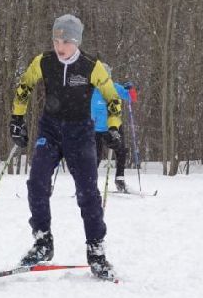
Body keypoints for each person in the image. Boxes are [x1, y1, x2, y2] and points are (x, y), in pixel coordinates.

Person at [9, 14, 123, 280]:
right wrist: (17, 119)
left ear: (77, 42)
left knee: (87, 192)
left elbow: (113, 99)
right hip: (50, 129)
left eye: (66, 41)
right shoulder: (43, 61)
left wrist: (113, 127)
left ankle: (96, 250)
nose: (60, 46)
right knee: (37, 182)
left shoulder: (91, 66)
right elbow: (24, 86)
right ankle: (42, 241)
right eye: (56, 40)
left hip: (80, 132)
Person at [91, 68, 133, 193]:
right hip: (96, 130)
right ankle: (89, 183)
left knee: (121, 151)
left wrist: (130, 89)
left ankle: (119, 180)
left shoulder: (115, 88)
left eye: (106, 78)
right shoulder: (91, 90)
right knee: (95, 157)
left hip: (113, 128)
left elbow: (131, 97)